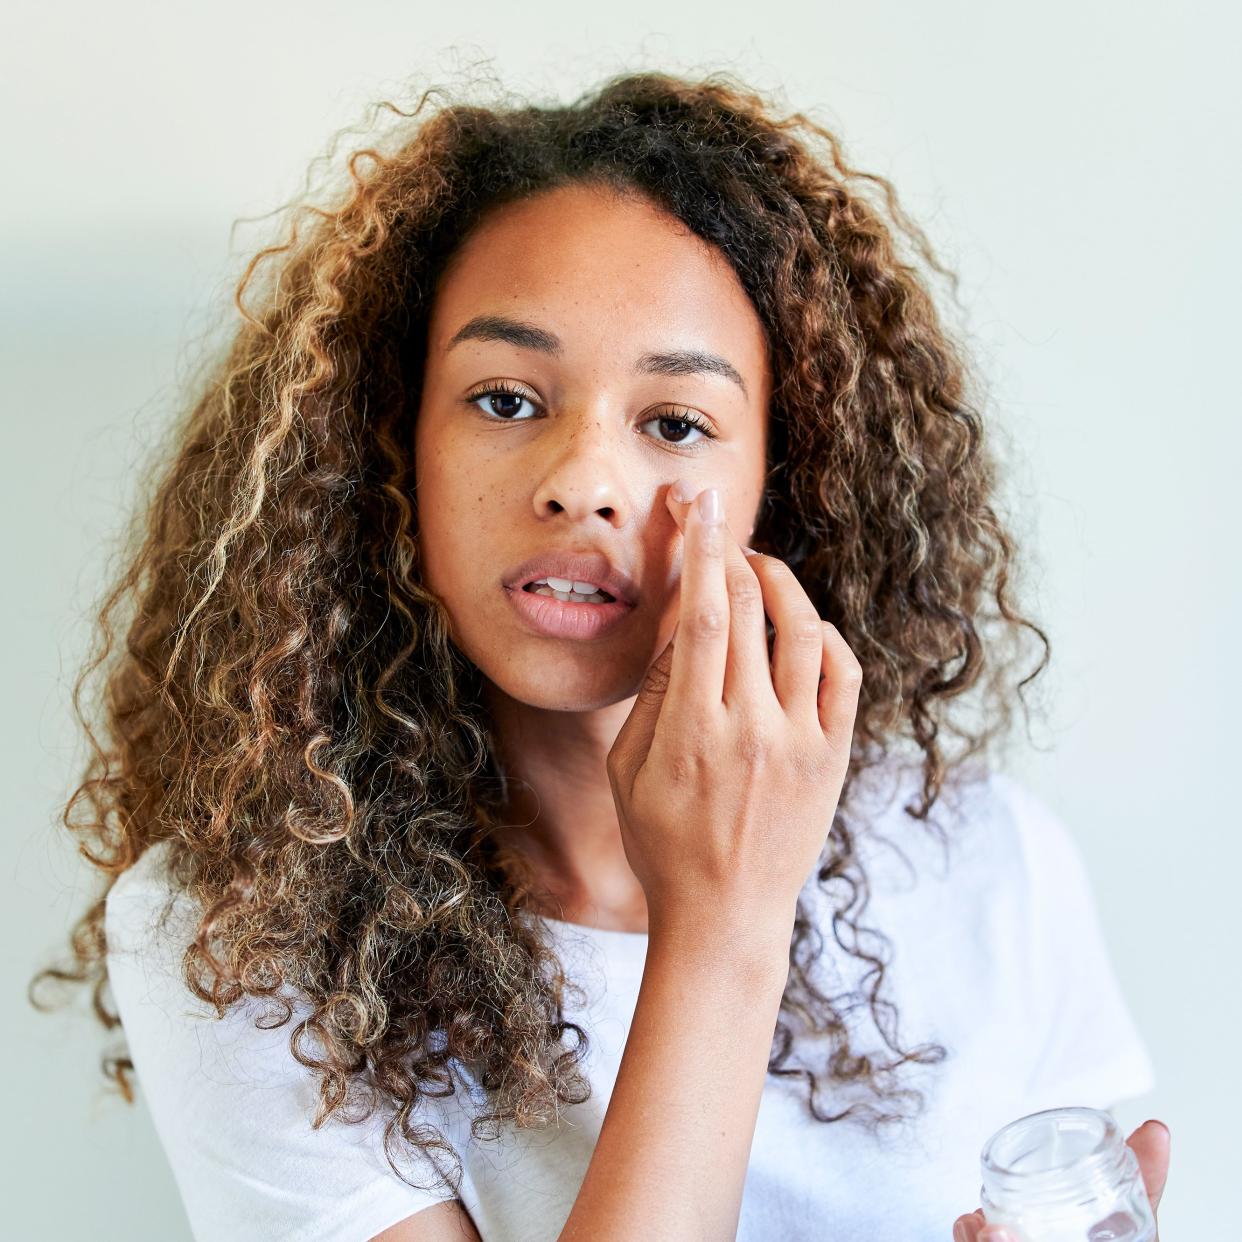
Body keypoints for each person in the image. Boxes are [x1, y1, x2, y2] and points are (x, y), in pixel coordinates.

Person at [29, 69, 1170, 1240]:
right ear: (385, 448)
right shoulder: (242, 930)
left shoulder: (983, 864)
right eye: (507, 400)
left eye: (676, 424)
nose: (581, 481)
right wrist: (724, 926)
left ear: (786, 485)